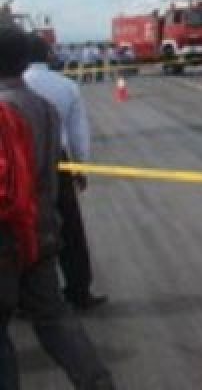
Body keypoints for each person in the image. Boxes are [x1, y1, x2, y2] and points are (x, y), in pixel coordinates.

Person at [0, 27, 115, 389]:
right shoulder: (45, 106)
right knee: (54, 320)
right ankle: (97, 382)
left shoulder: (3, 109)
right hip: (43, 230)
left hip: (9, 236)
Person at [23, 35, 107, 312]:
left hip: (17, 161)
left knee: (21, 229)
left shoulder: (12, 85)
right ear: (48, 56)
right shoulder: (66, 86)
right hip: (56, 162)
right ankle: (79, 290)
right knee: (70, 228)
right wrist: (80, 168)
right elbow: (77, 133)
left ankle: (26, 297)